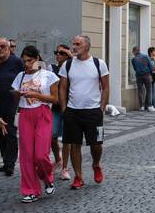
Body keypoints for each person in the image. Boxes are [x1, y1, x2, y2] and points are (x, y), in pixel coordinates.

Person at [58, 34, 110, 189]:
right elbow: (62, 88)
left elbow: (106, 87)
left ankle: (95, 164)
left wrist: (101, 108)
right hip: (73, 111)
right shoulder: (67, 65)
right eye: (73, 43)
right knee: (75, 144)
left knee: (96, 144)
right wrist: (64, 109)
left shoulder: (98, 64)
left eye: (78, 44)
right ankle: (78, 177)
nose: (74, 46)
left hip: (93, 111)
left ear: (87, 46)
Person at [10, 45, 59, 203]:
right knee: (26, 156)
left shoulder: (48, 75)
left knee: (40, 154)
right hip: (25, 114)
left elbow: (55, 99)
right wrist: (17, 94)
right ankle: (30, 190)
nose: (27, 64)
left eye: (30, 61)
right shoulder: (20, 76)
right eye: (24, 61)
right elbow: (15, 98)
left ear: (37, 58)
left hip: (43, 113)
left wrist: (35, 94)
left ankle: (47, 177)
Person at [0, 38, 21, 175]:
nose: (0, 49)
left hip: (12, 103)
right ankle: (5, 160)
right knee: (0, 133)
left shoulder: (16, 62)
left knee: (10, 133)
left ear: (8, 48)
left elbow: (23, 79)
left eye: (2, 46)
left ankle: (10, 164)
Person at [48, 44, 72, 178]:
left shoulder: (73, 67)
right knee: (52, 136)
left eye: (61, 53)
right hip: (56, 107)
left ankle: (65, 167)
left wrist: (71, 56)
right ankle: (58, 160)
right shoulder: (52, 68)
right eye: (56, 52)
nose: (58, 55)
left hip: (70, 107)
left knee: (67, 139)